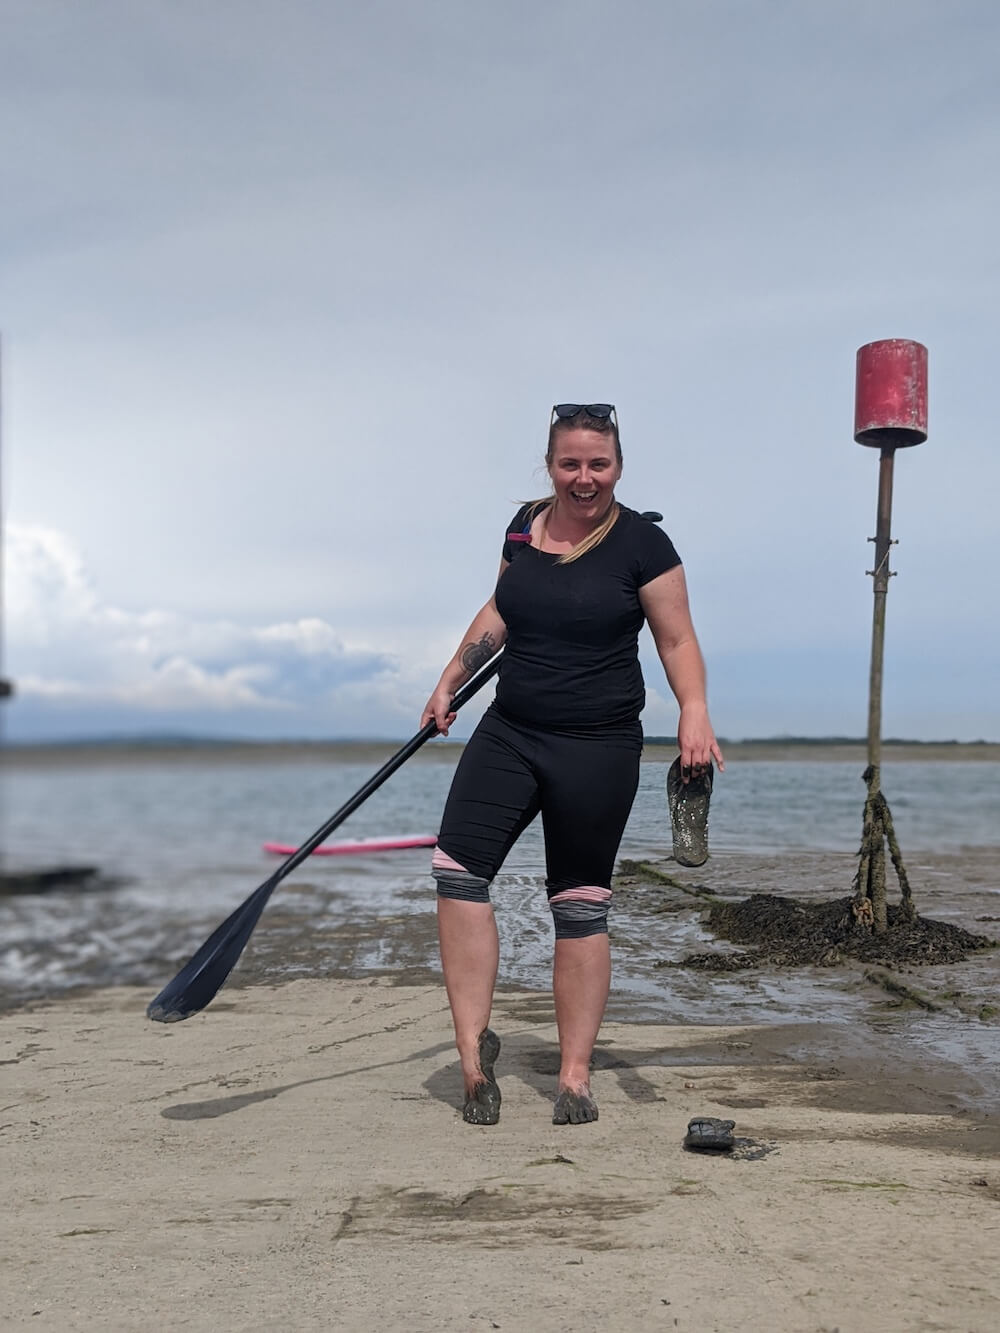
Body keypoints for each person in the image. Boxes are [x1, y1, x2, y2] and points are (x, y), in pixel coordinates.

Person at [421, 402, 723, 1127]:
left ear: (617, 466)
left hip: (598, 742)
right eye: (570, 464)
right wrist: (449, 679)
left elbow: (676, 641)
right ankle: (473, 1055)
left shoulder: (644, 544)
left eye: (599, 464)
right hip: (511, 731)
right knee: (457, 871)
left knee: (579, 904)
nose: (584, 478)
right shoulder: (525, 524)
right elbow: (503, 608)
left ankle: (575, 1077)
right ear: (549, 464)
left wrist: (694, 710)